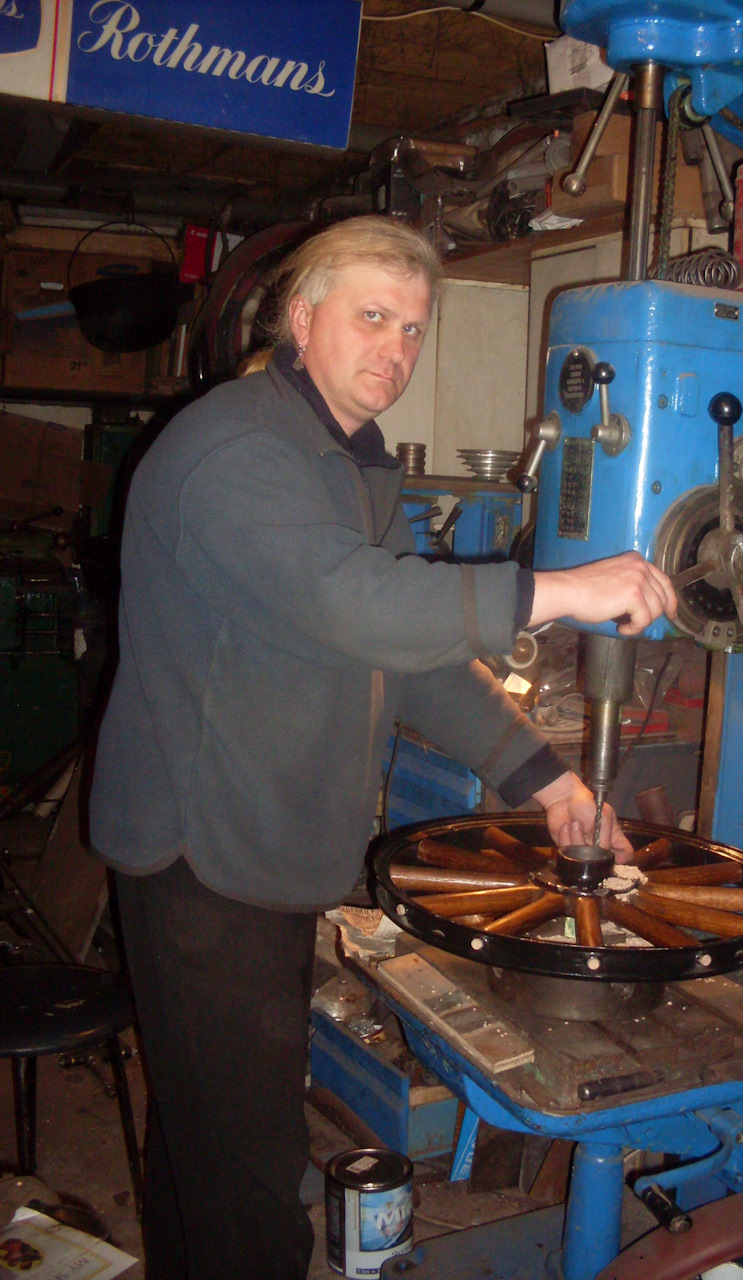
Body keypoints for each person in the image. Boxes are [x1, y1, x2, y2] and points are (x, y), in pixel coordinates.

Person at [89, 215, 676, 1279]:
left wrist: (543, 778)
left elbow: (404, 658)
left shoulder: (350, 464)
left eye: (412, 328)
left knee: (207, 1140)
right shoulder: (239, 445)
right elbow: (355, 601)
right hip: (202, 856)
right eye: (371, 317)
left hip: (256, 840)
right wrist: (561, 589)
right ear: (301, 319)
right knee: (251, 1171)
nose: (395, 352)